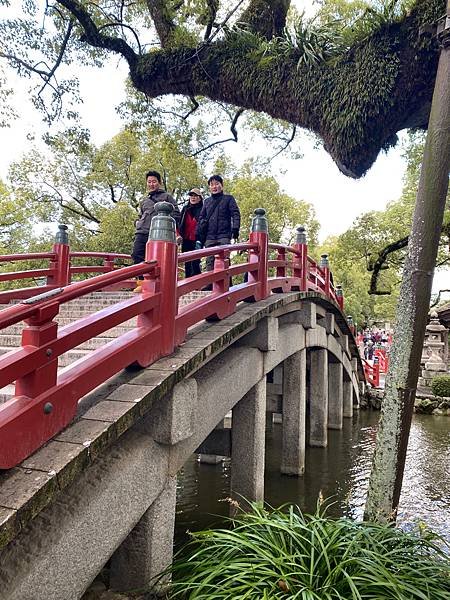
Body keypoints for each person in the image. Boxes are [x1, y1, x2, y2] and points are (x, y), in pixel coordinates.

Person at [131, 170, 180, 291]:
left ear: (159, 182)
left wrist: (166, 225)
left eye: (154, 181)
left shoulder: (167, 197)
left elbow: (177, 214)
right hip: (142, 231)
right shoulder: (144, 201)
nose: (151, 184)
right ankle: (141, 282)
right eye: (149, 182)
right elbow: (141, 215)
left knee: (156, 259)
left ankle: (156, 284)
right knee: (137, 255)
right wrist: (137, 223)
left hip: (157, 233)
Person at [195, 174, 240, 273]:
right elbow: (201, 218)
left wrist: (235, 228)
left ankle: (227, 286)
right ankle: (211, 286)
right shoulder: (207, 202)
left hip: (224, 235)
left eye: (216, 184)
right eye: (211, 185)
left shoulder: (229, 199)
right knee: (210, 262)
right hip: (209, 237)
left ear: (222, 185)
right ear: (209, 187)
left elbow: (235, 214)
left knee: (224, 261)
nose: (214, 187)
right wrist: (198, 234)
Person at [179, 188, 203, 278]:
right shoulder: (185, 209)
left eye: (195, 196)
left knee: (196, 261)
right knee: (187, 261)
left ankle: (196, 284)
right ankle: (187, 282)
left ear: (200, 198)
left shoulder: (203, 209)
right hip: (186, 238)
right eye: (191, 196)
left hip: (197, 238)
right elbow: (180, 222)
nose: (193, 198)